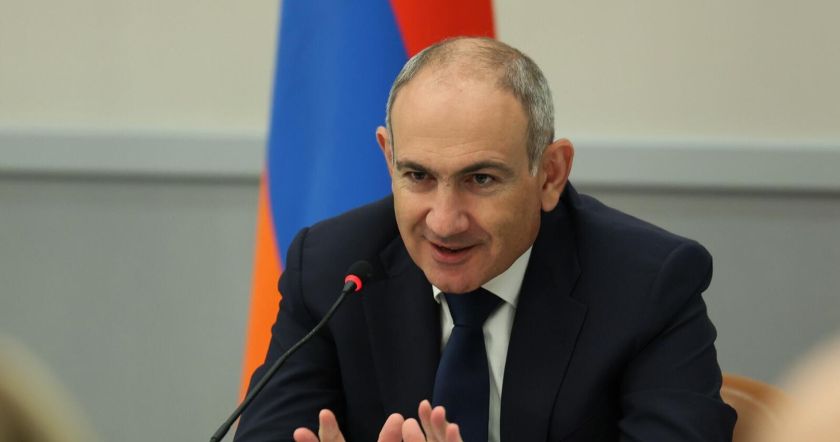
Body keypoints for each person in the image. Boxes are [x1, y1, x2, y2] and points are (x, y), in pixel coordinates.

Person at [234, 37, 736, 442]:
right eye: (418, 176)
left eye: (481, 179)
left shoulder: (647, 286)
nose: (445, 222)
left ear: (550, 174)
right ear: (388, 158)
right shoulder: (332, 270)